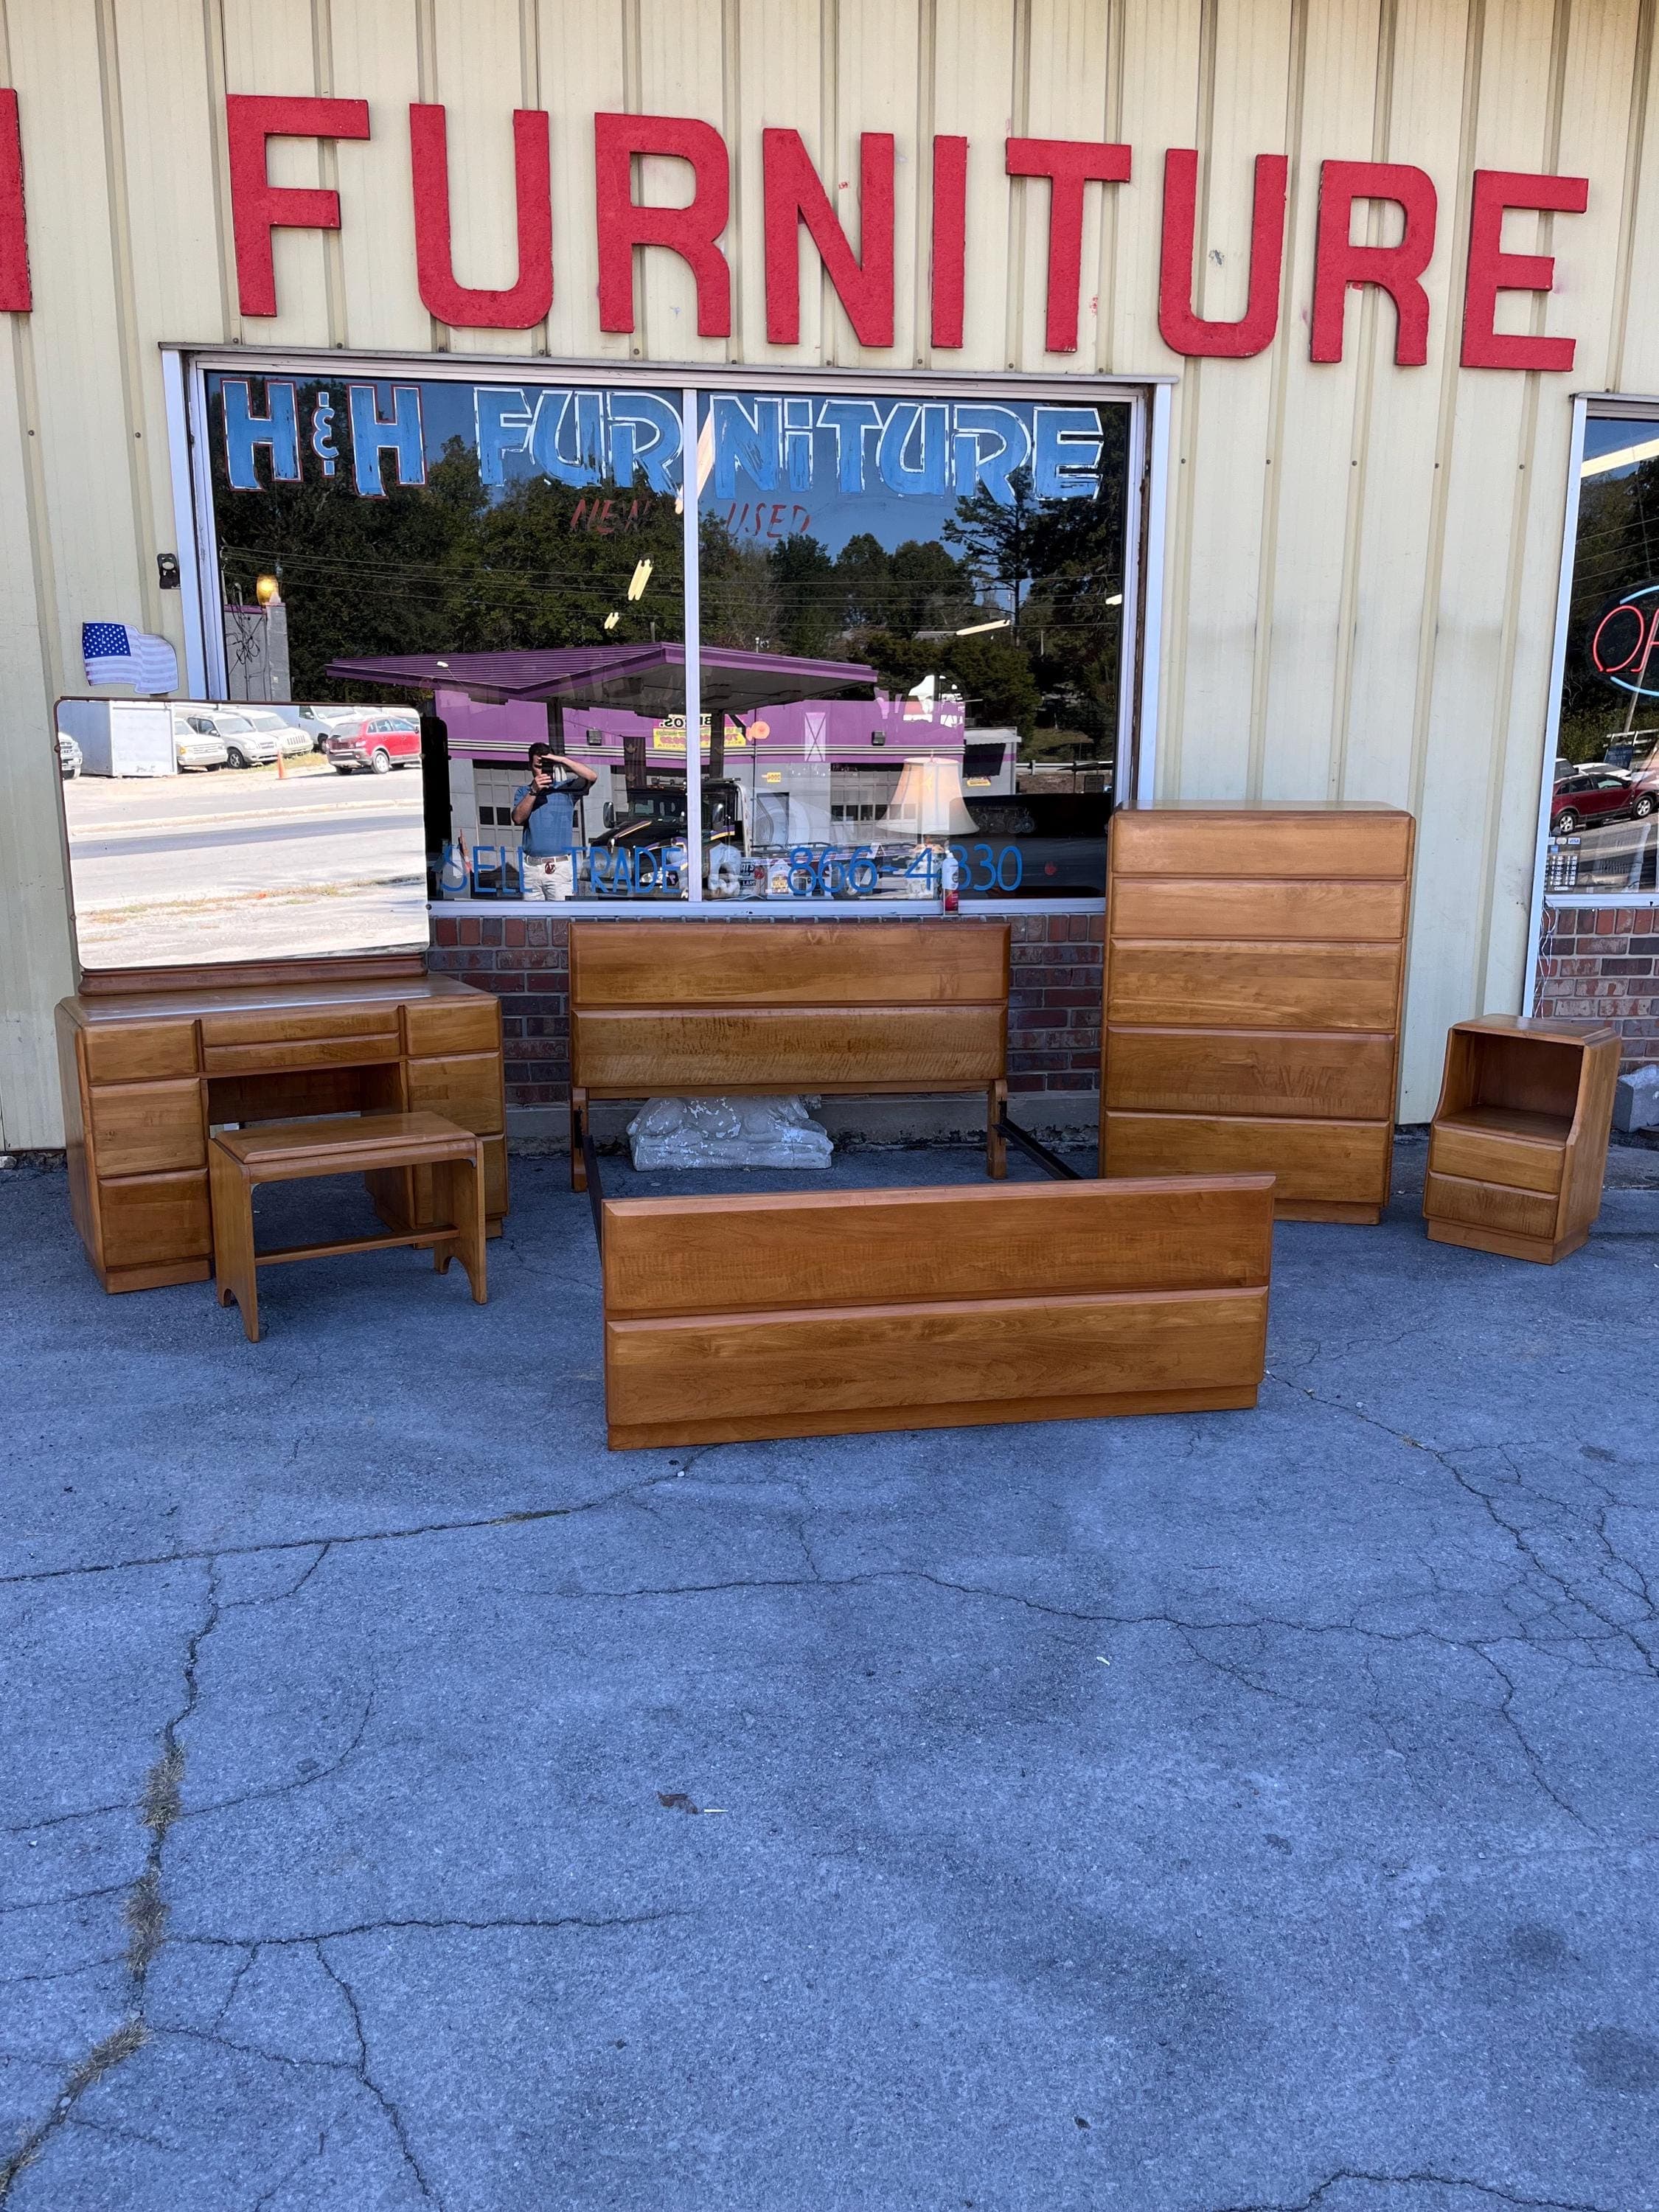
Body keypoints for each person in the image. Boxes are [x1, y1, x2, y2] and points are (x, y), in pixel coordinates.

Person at [511, 739, 597, 900]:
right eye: (538, 766)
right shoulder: (525, 792)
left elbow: (592, 776)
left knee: (561, 913)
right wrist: (534, 791)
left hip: (559, 866)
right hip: (531, 867)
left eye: (547, 765)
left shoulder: (565, 789)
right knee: (531, 915)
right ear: (530, 766)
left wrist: (562, 760)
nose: (543, 770)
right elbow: (518, 819)